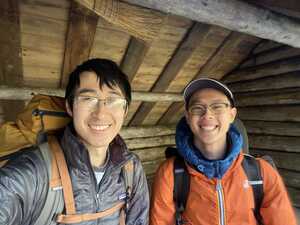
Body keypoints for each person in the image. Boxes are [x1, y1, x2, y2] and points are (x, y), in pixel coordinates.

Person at [0, 58, 149, 225]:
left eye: (113, 101)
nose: (100, 113)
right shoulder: (35, 171)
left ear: (125, 110)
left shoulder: (131, 168)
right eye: (88, 99)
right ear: (70, 107)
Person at [150, 78, 297, 225]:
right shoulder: (170, 173)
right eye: (197, 107)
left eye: (217, 106)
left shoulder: (261, 173)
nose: (207, 114)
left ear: (232, 115)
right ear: (188, 117)